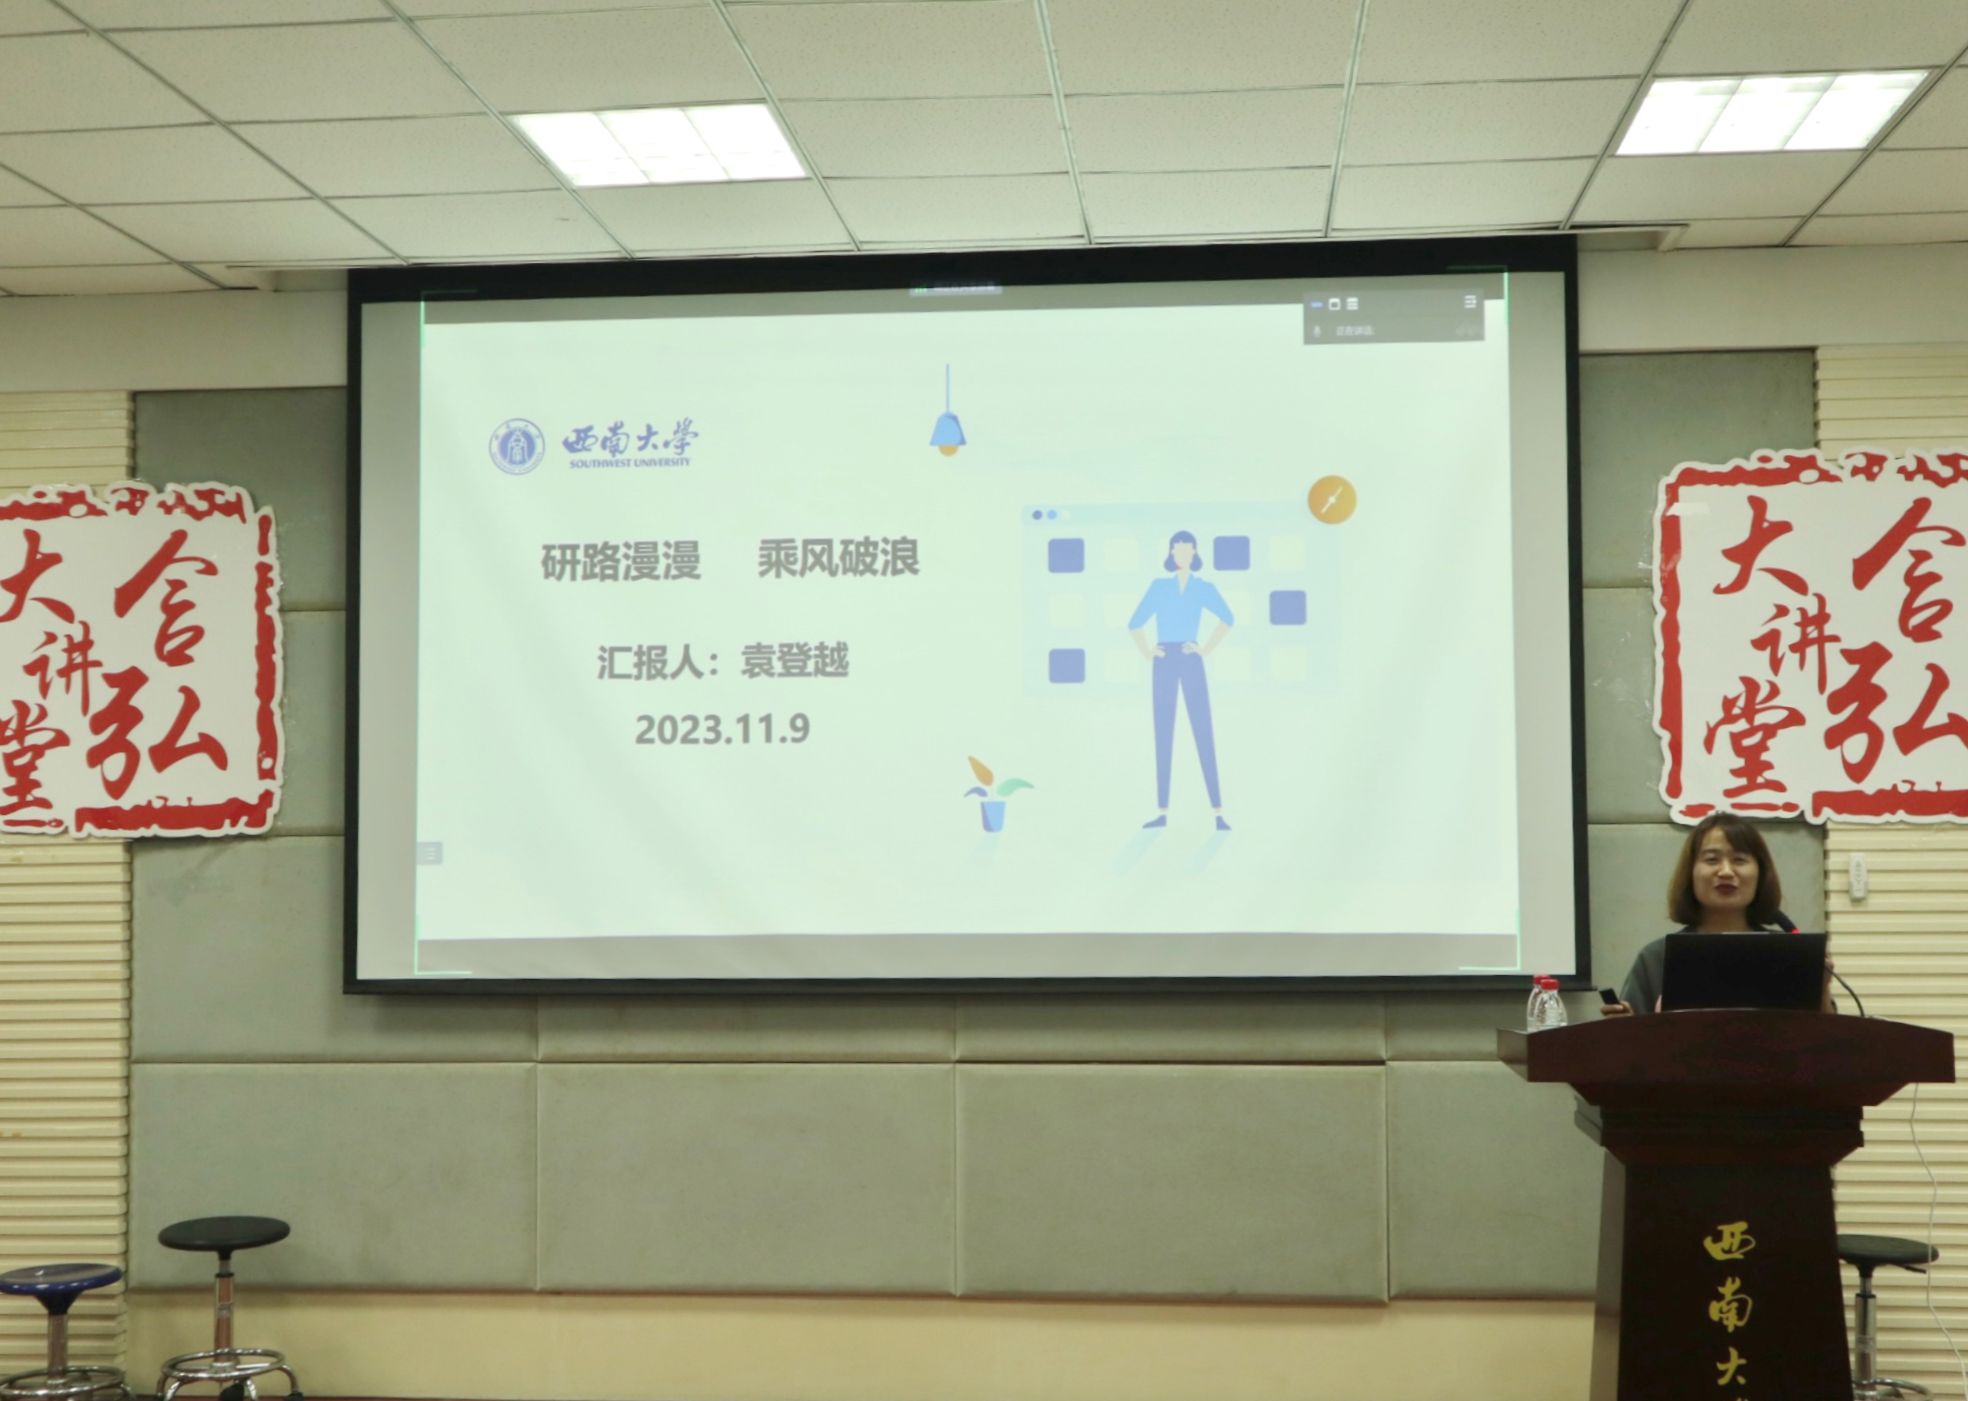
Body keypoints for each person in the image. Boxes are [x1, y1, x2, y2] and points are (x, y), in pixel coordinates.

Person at [1602, 812, 1832, 1015]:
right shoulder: (1656, 958)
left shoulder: (1788, 954)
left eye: (1739, 860)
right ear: (1691, 873)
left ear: (1760, 873)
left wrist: (1820, 989)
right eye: (1712, 860)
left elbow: (1827, 1039)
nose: (1726, 871)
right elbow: (1631, 1043)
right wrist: (1623, 1027)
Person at [1127, 530, 1233, 830]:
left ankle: (1218, 812)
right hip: (1164, 660)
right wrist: (1148, 652)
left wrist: (1205, 650)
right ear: (1171, 553)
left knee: (1203, 728)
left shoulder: (1203, 588)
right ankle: (1162, 812)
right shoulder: (1159, 587)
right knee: (1163, 731)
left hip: (1190, 658)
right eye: (1177, 549)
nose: (1182, 554)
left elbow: (1228, 618)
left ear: (1195, 552)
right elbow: (1135, 623)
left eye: (1187, 549)